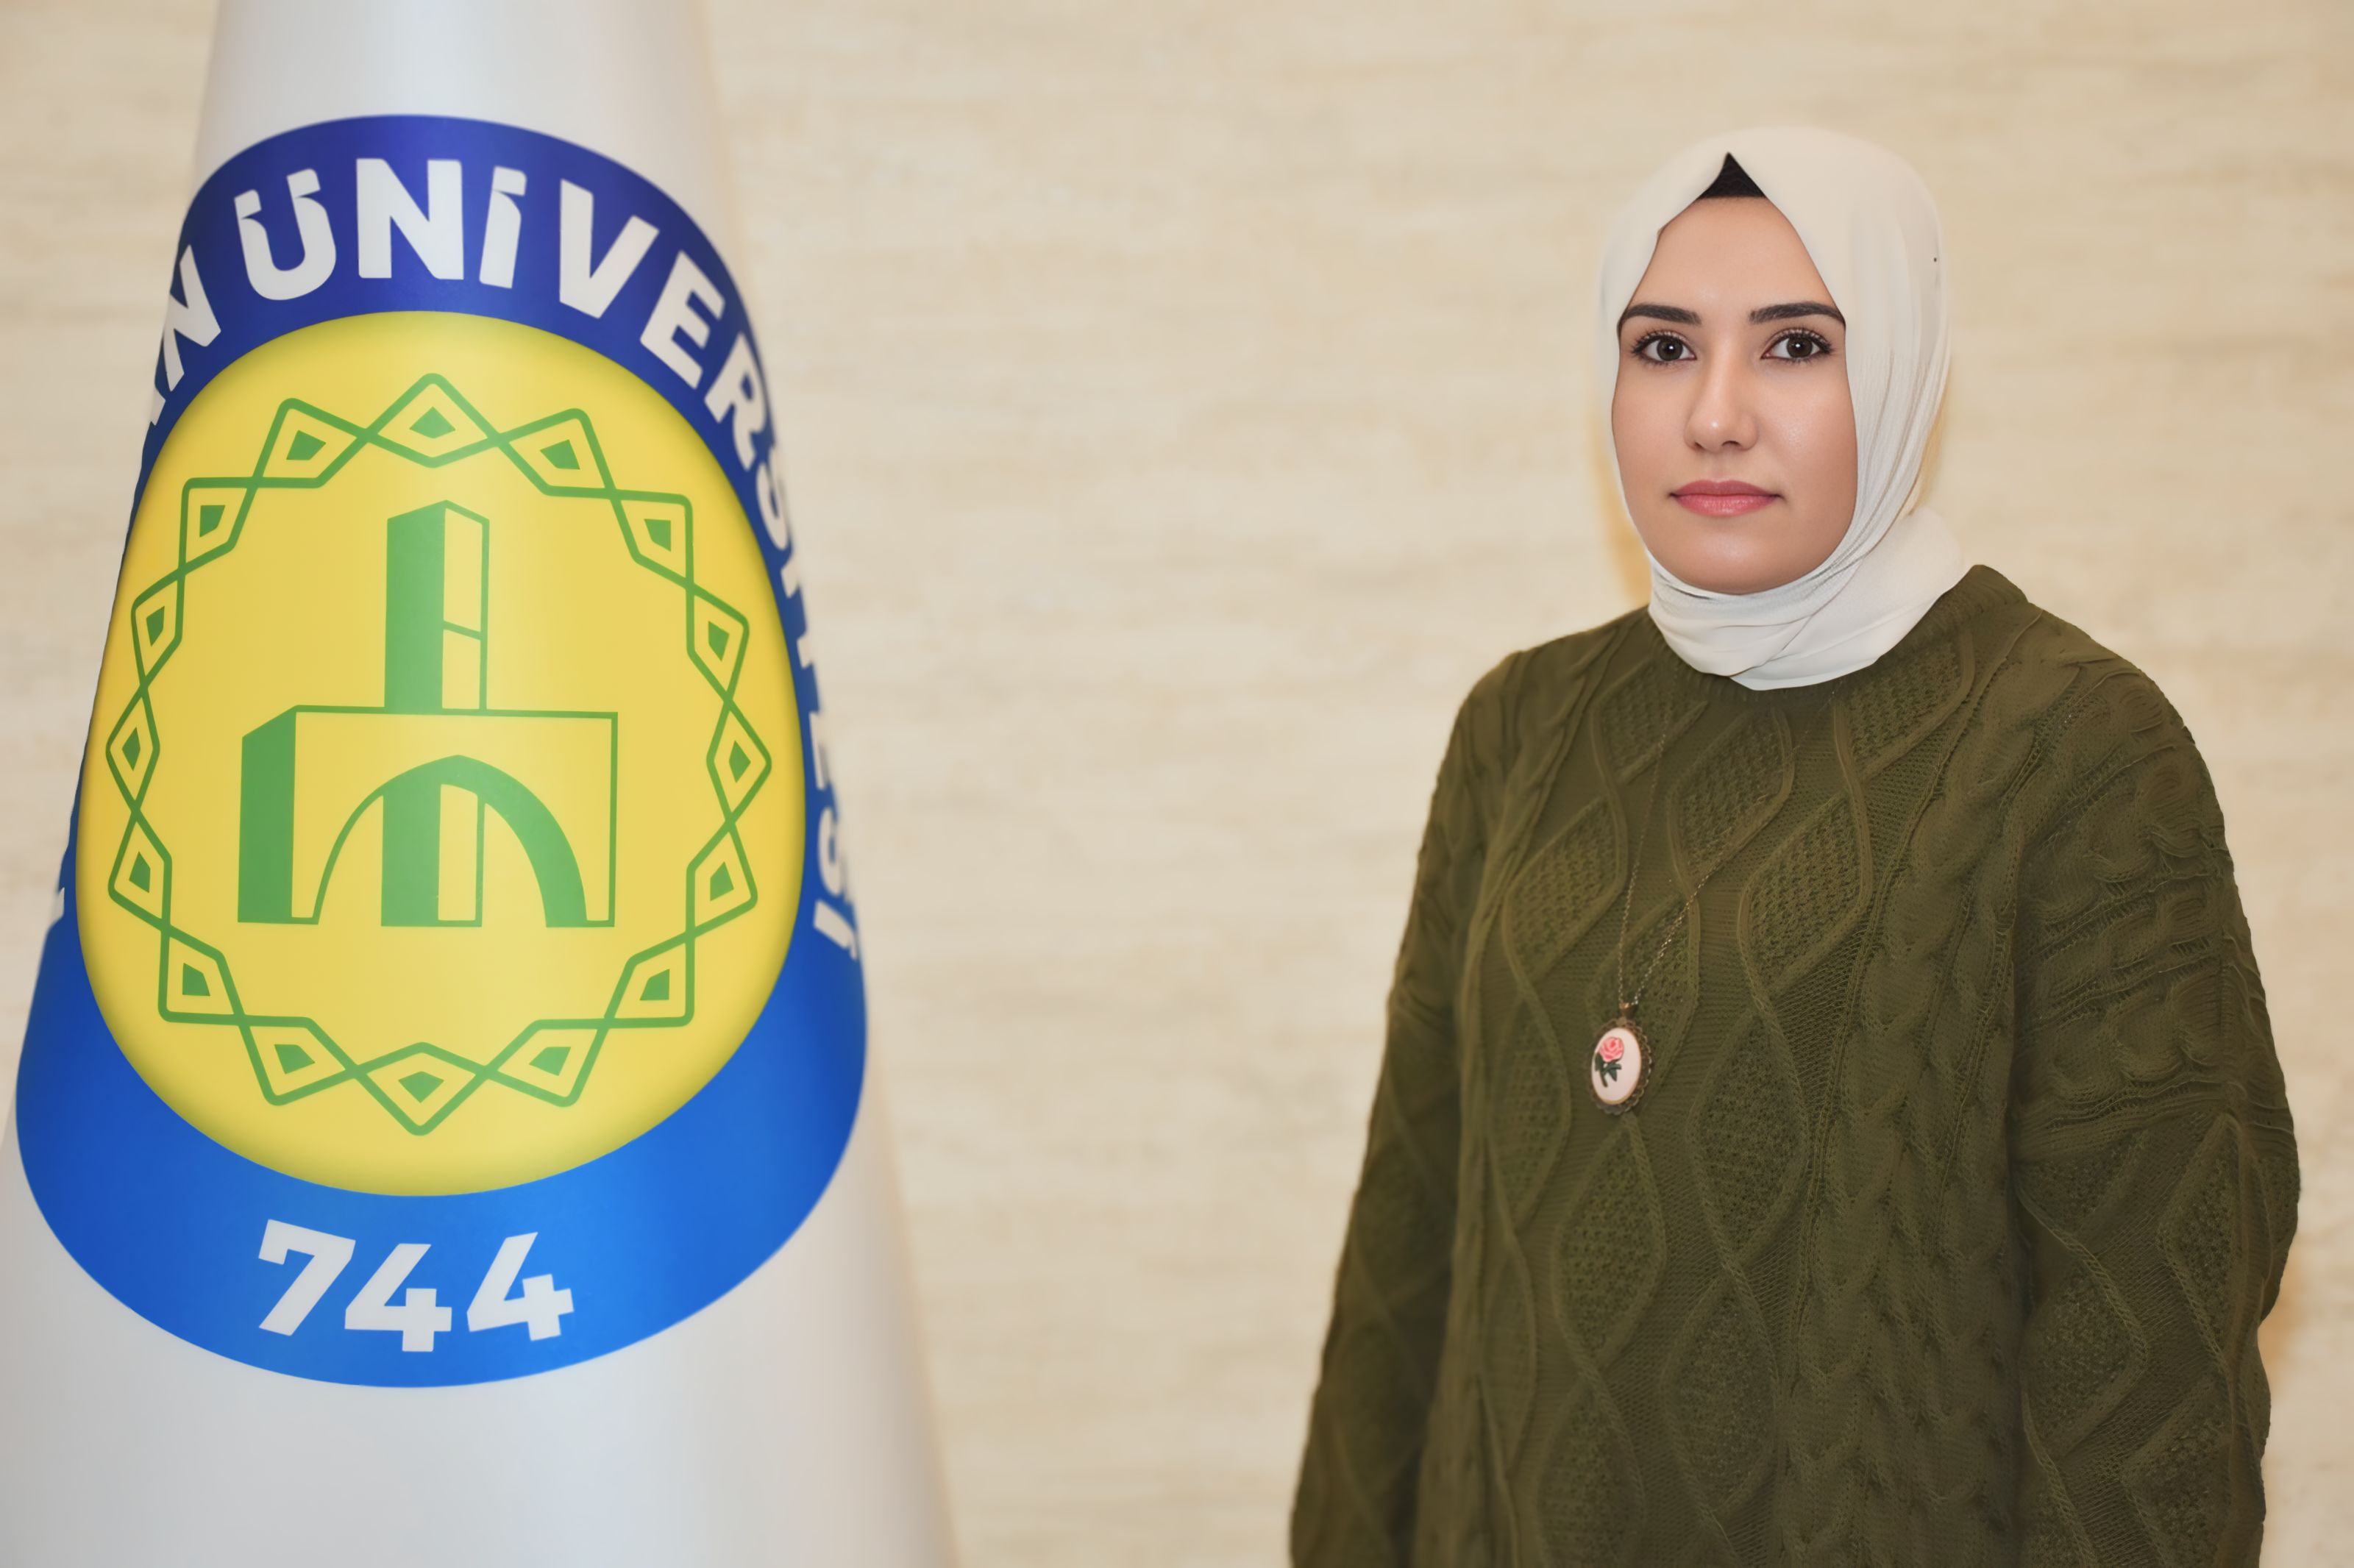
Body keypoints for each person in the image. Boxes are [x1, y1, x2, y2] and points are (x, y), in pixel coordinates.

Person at [1289, 125, 2300, 1566]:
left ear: (1897, 369)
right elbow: (1405, 1251)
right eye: (1661, 348)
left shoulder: (2071, 751)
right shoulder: (1518, 728)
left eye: (1795, 347)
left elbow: (2147, 1373)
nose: (1715, 415)